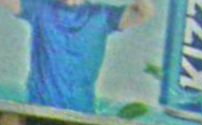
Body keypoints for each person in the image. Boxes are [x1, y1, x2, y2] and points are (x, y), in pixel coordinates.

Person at [0, 0, 155, 113]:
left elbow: (144, 12)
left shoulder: (102, 16)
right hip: (40, 113)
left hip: (81, 117)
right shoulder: (40, 8)